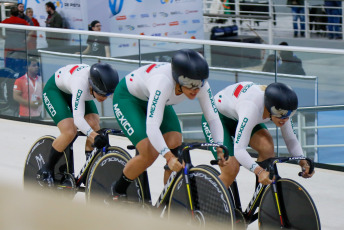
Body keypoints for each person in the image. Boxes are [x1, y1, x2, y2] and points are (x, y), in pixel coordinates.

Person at [109, 49, 224, 201]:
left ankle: (169, 200)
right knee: (149, 153)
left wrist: (220, 147)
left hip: (155, 99)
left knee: (175, 142)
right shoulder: (163, 82)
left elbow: (213, 118)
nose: (195, 89)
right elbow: (152, 126)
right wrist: (168, 156)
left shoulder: (200, 84)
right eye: (189, 84)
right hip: (128, 98)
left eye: (199, 83)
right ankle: (117, 190)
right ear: (177, 79)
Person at [202, 82, 315, 188]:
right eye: (280, 114)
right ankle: (208, 205)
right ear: (269, 107)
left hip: (238, 115)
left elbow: (291, 140)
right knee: (231, 168)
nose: (284, 119)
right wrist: (259, 171)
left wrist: (303, 162)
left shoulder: (282, 110)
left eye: (290, 114)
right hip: (217, 117)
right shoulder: (252, 108)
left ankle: (262, 201)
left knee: (267, 147)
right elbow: (239, 150)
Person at [37, 63, 119, 186]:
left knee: (94, 124)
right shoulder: (80, 83)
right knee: (69, 131)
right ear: (92, 86)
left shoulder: (104, 85)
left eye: (107, 94)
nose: (104, 98)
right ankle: (46, 168)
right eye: (101, 94)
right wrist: (94, 137)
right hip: (55, 91)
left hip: (74, 91)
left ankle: (89, 168)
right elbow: (78, 119)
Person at [0, 6, 29, 77]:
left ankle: (10, 83)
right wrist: (26, 39)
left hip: (9, 47)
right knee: (21, 67)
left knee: (9, 68)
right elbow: (31, 29)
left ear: (10, 13)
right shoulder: (22, 21)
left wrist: (2, 36)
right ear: (18, 13)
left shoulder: (7, 21)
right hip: (20, 48)